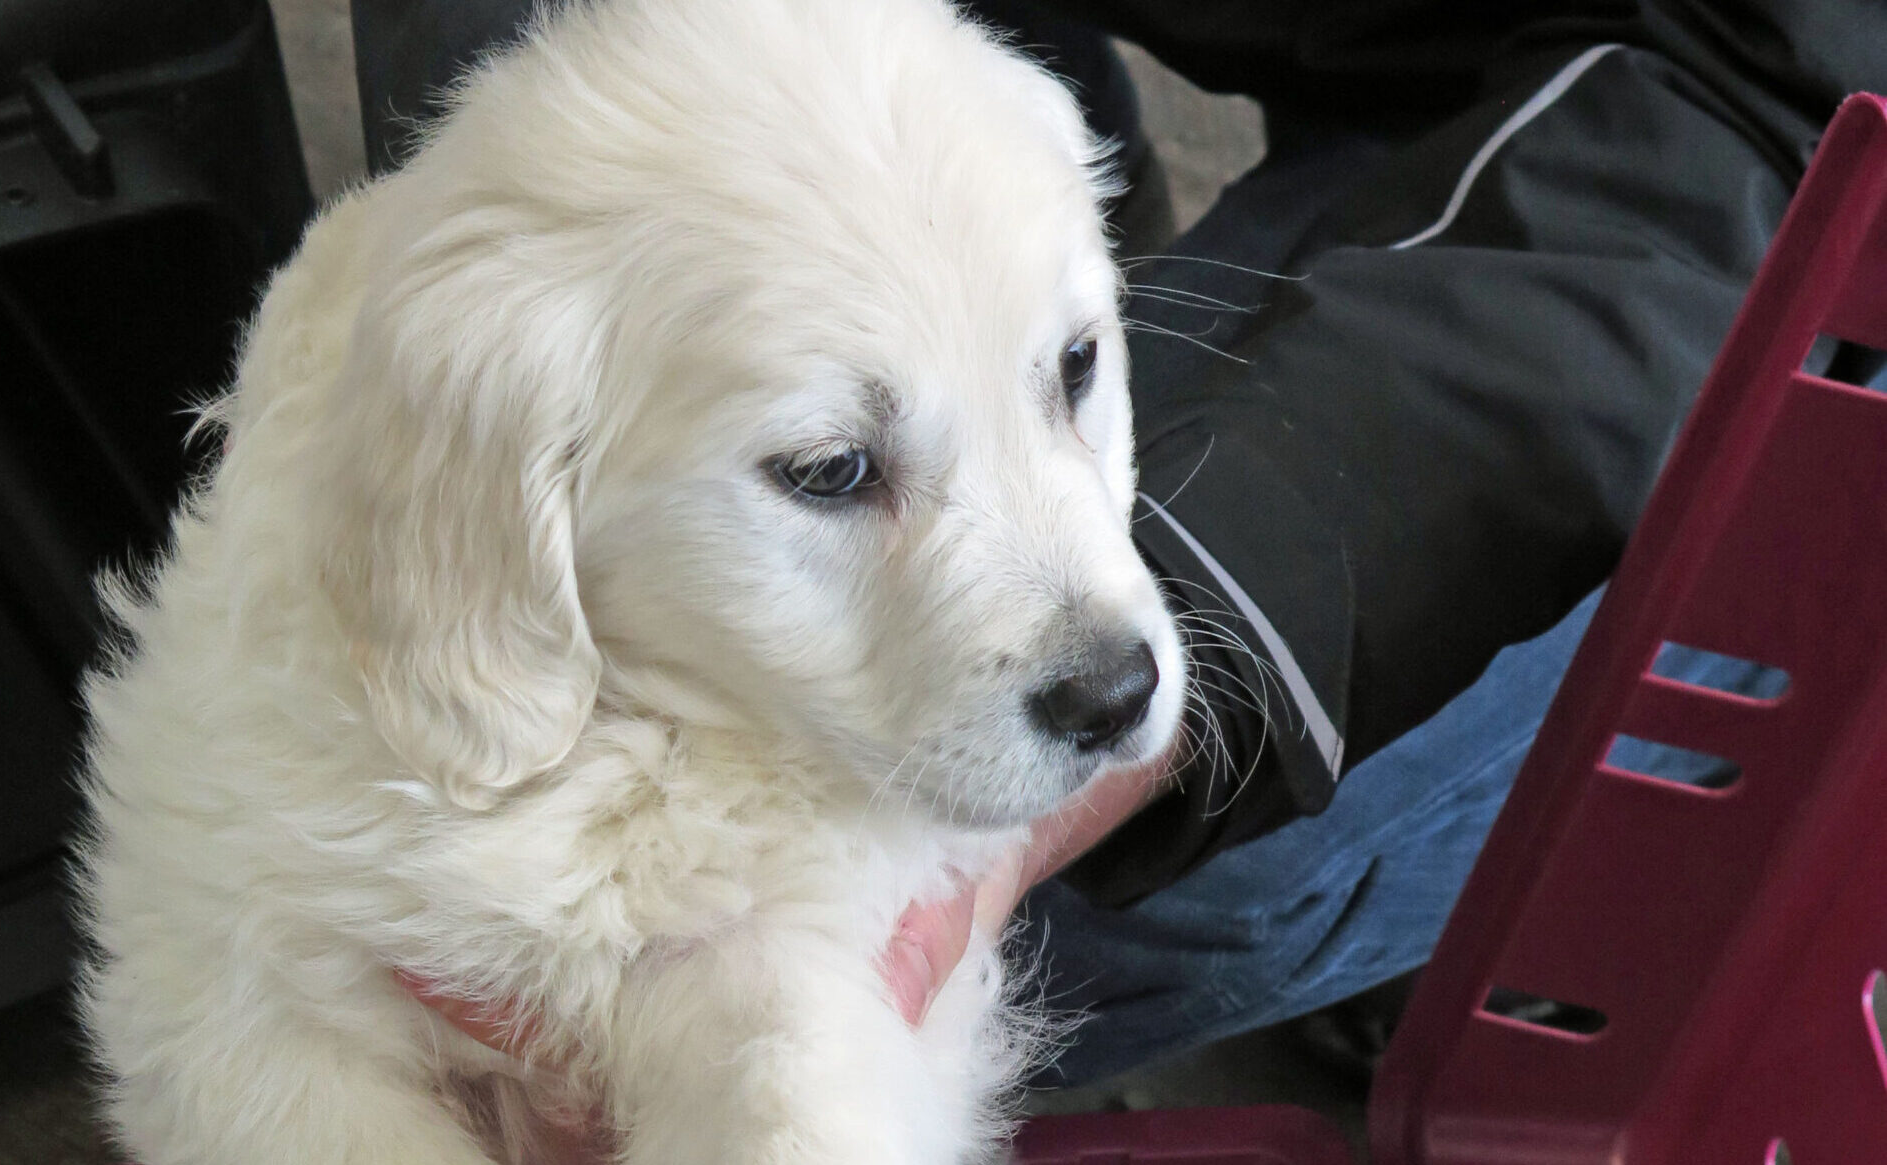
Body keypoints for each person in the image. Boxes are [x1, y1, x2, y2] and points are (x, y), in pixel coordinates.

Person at [353, 0, 1887, 1118]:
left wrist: (999, 836)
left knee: (1057, 910)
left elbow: (1776, 98)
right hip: (1417, 48)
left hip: (1757, 152)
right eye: (830, 463)